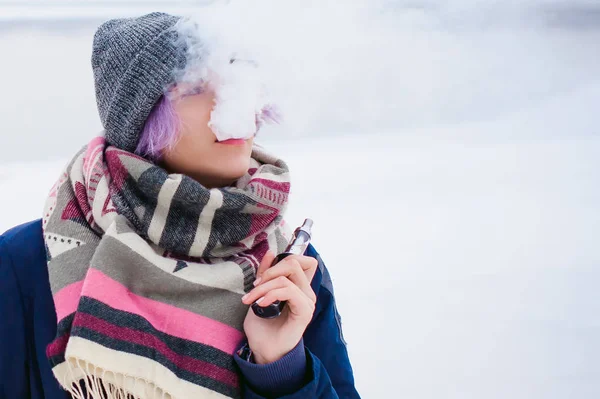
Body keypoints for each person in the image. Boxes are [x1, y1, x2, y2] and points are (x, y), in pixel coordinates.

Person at [0, 12, 360, 399]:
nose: (230, 101)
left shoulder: (286, 270)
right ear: (141, 120)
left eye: (235, 79)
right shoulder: (25, 264)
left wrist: (280, 369)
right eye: (193, 88)